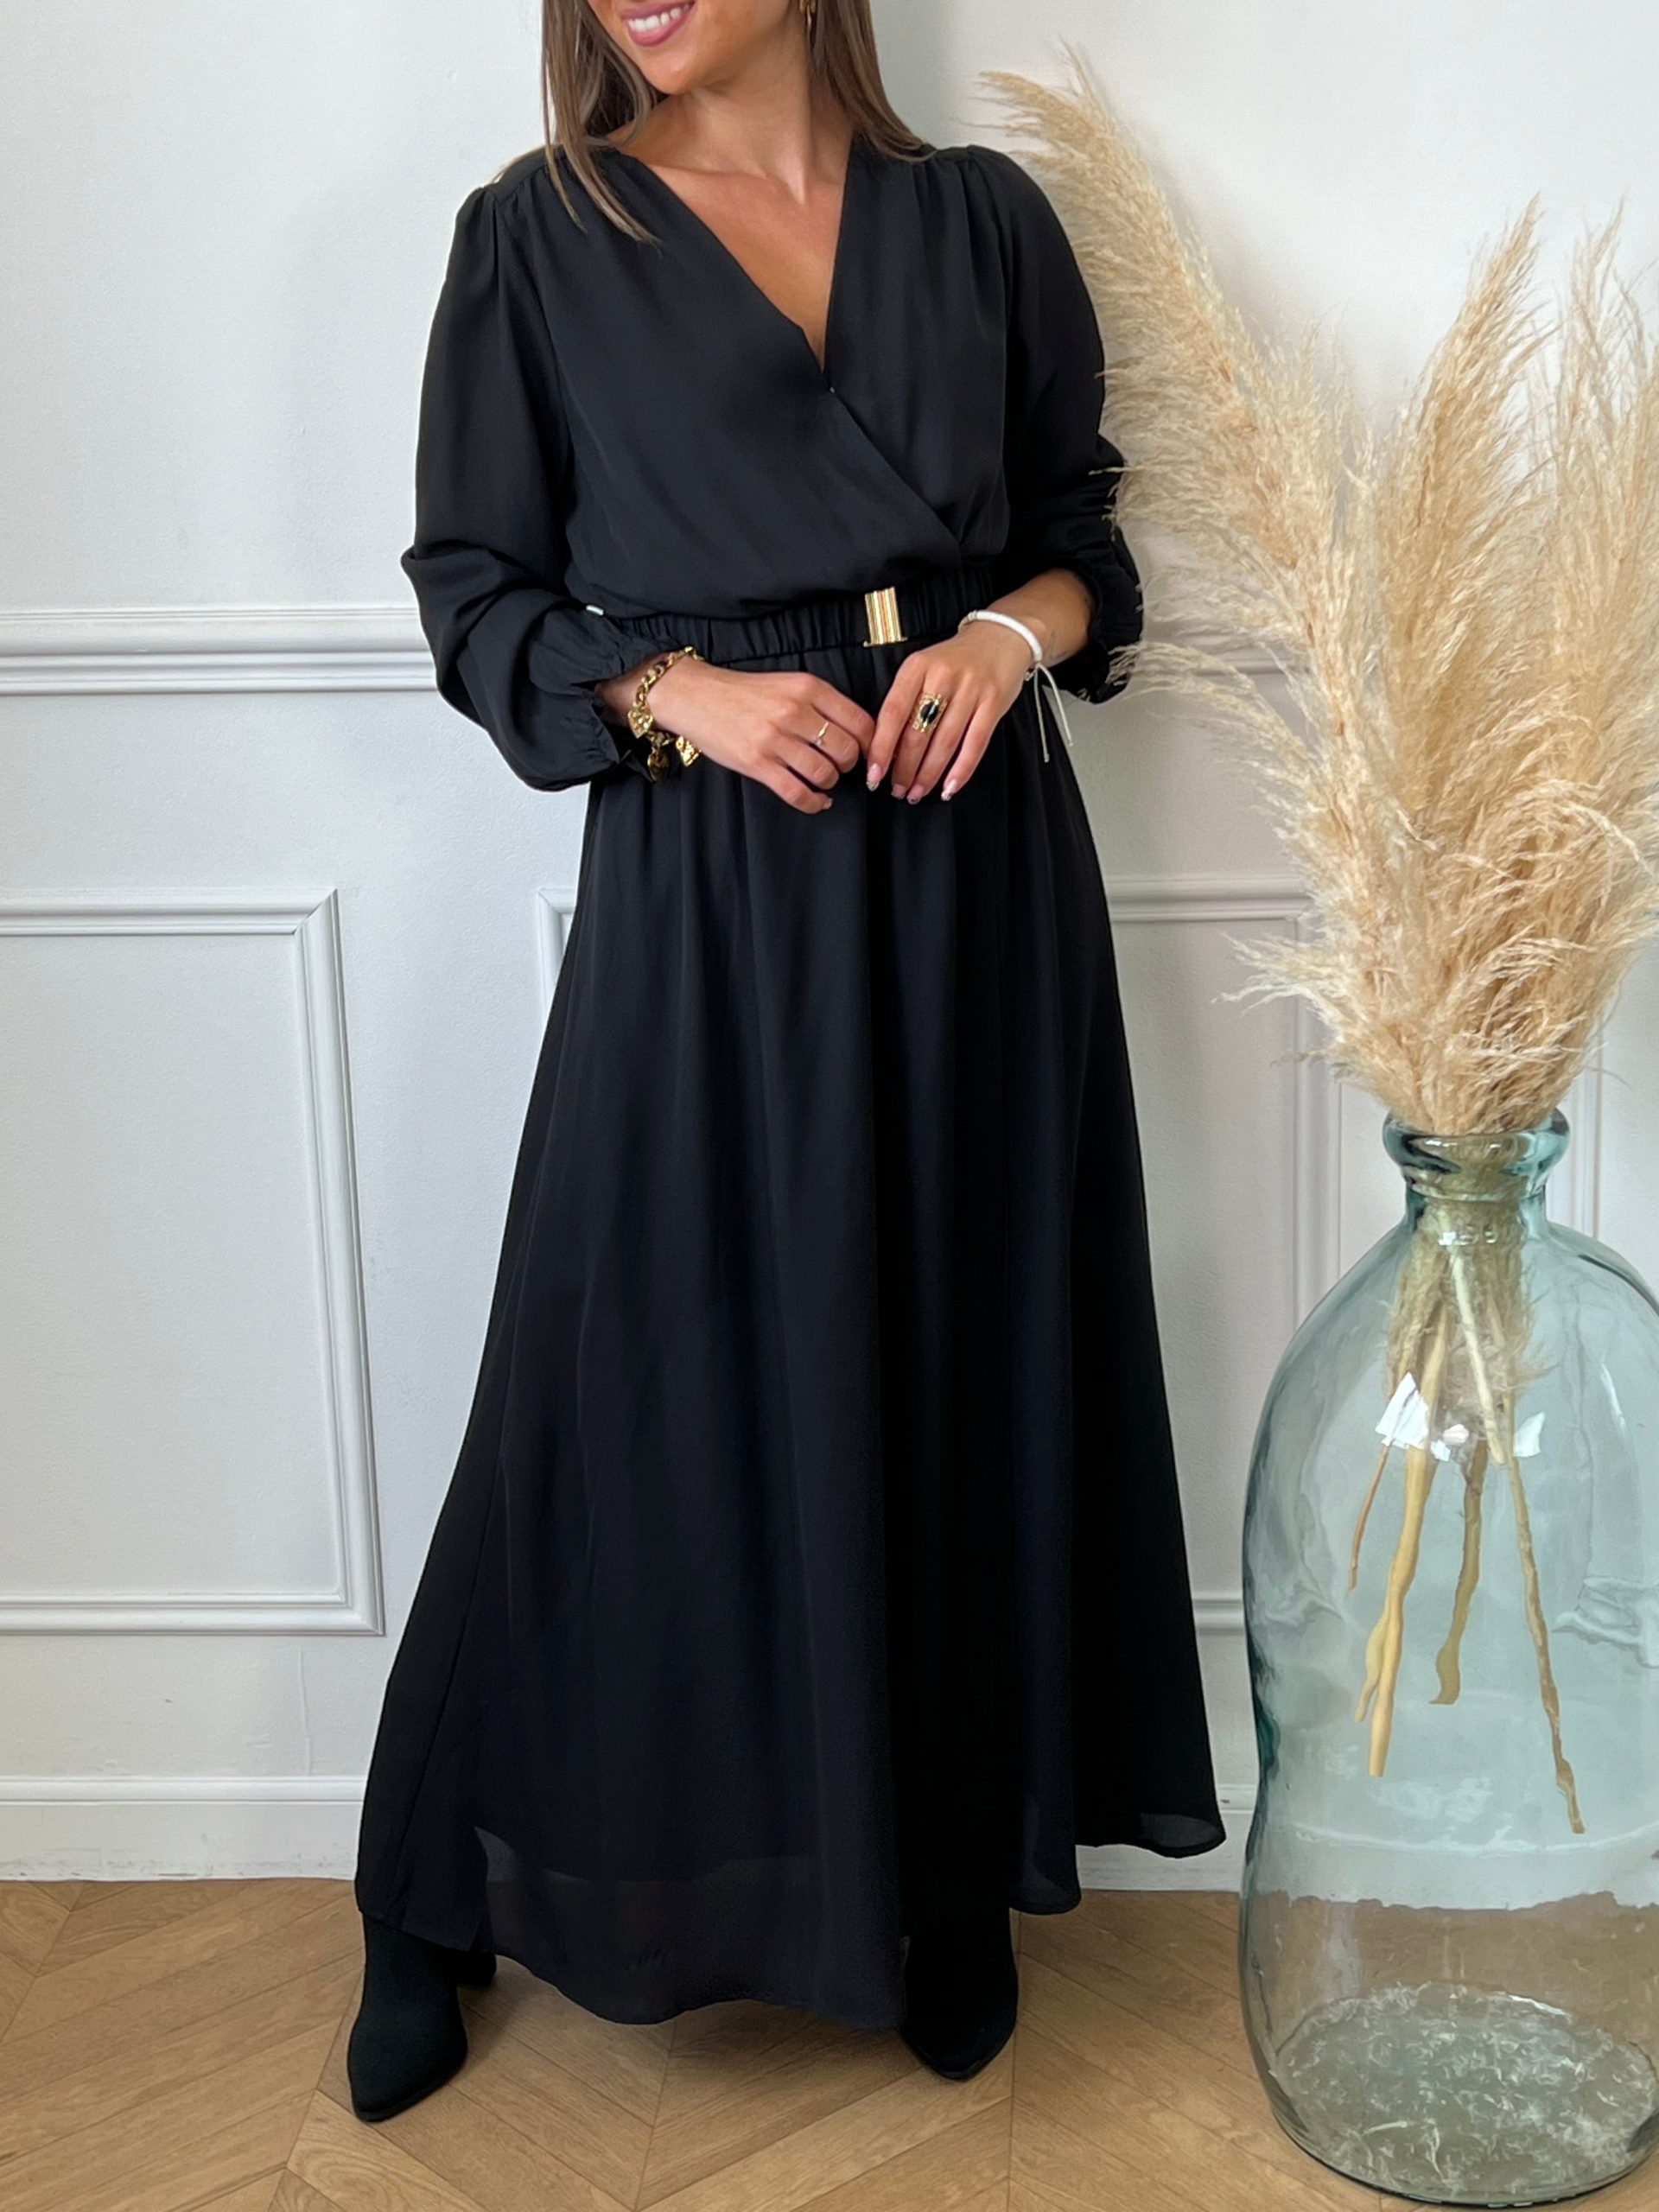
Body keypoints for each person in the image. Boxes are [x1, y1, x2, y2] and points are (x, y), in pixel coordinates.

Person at [347, 0, 1224, 2126]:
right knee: (611, 1362)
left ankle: (939, 1874)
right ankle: (435, 1880)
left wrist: (1005, 637)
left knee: (955, 1348)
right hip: (716, 884)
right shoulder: (537, 236)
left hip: (974, 871)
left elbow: (1087, 544)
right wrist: (678, 693)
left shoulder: (985, 222)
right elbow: (474, 595)